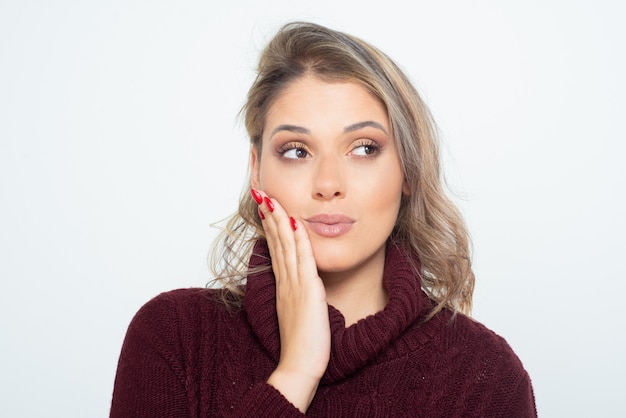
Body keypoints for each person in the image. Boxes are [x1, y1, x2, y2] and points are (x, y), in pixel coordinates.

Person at [110, 21, 537, 417]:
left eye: (364, 148)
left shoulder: (486, 377)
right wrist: (295, 375)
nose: (328, 183)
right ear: (257, 171)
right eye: (297, 150)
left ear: (408, 169)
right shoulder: (174, 337)